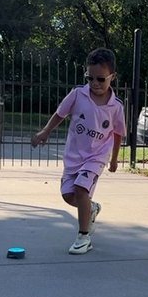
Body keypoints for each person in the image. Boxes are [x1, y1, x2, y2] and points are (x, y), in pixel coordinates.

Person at [31, 47, 127, 254]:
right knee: (69, 195)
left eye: (101, 79)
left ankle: (84, 237)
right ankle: (91, 209)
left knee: (82, 189)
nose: (95, 83)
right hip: (74, 156)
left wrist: (114, 160)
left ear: (113, 77)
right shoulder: (78, 94)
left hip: (96, 156)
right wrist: (46, 132)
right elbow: (60, 114)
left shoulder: (116, 107)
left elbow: (118, 133)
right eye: (90, 78)